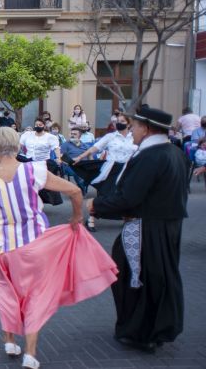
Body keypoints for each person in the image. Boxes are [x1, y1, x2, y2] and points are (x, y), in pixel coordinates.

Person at [0, 127, 117, 369]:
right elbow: (74, 191)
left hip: (0, 246)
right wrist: (76, 218)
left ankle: (10, 341)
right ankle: (30, 353)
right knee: (36, 293)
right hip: (36, 244)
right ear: (20, 147)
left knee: (5, 289)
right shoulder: (34, 170)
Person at [88, 106, 189, 354]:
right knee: (158, 277)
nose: (130, 130)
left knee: (134, 277)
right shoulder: (175, 153)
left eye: (133, 126)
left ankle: (141, 331)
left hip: (147, 227)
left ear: (146, 128)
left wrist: (96, 205)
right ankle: (153, 328)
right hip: (167, 226)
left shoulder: (151, 156)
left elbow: (129, 197)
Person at [73, 113, 136, 231]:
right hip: (112, 169)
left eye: (122, 121)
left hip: (128, 170)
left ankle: (127, 217)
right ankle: (91, 219)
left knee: (126, 195)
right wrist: (80, 157)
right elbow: (95, 148)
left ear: (129, 123)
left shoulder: (134, 137)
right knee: (105, 194)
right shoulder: (110, 137)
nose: (119, 123)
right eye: (117, 121)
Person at [20, 118, 63, 205]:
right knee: (28, 183)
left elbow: (56, 148)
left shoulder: (50, 137)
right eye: (36, 125)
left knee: (43, 184)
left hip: (43, 162)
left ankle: (40, 201)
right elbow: (19, 146)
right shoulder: (27, 135)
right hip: (29, 162)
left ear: (44, 126)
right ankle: (29, 202)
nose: (38, 126)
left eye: (40, 125)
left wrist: (58, 158)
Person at [59, 128, 90, 194]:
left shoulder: (85, 146)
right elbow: (61, 157)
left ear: (80, 136)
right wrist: (69, 162)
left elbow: (90, 157)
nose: (72, 135)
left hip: (84, 165)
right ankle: (82, 187)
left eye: (75, 134)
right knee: (78, 172)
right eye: (71, 134)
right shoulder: (65, 145)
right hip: (71, 166)